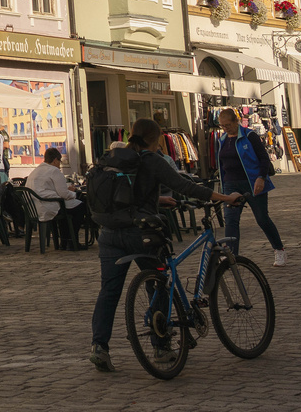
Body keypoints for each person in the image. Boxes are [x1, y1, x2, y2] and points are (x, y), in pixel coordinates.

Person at [89, 118, 244, 373]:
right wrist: (227, 198)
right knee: (157, 284)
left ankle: (99, 347)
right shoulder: (152, 161)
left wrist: (157, 199)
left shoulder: (115, 158)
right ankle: (161, 347)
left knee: (109, 292)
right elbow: (186, 186)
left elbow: (127, 195)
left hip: (109, 232)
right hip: (141, 233)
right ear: (157, 138)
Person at [216, 108, 285, 268]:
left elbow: (263, 158)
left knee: (262, 219)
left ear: (236, 121)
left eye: (228, 125)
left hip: (251, 182)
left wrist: (261, 178)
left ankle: (279, 249)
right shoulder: (223, 140)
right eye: (222, 126)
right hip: (231, 184)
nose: (225, 128)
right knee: (231, 221)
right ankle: (232, 257)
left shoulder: (249, 136)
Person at [27, 147, 83, 249]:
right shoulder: (54, 171)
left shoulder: (36, 170)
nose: (59, 164)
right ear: (55, 160)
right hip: (48, 206)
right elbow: (63, 194)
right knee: (79, 207)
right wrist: (73, 193)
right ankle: (72, 241)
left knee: (66, 209)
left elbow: (48, 188)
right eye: (59, 161)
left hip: (34, 208)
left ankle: (64, 241)